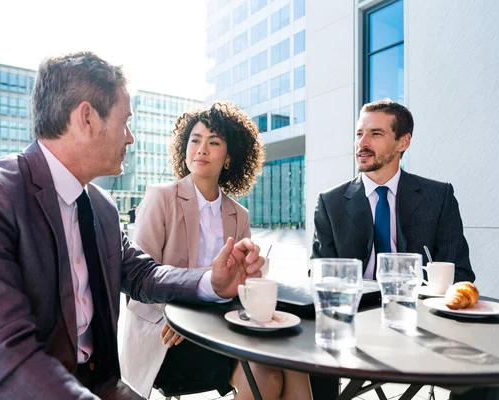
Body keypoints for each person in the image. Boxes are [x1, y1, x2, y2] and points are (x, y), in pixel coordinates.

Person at [0, 52, 265, 400]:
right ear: (87, 118)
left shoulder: (101, 207)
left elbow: (142, 275)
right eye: (125, 121)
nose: (130, 137)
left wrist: (213, 282)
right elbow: (3, 358)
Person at [121, 102, 313, 400]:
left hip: (224, 327)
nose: (201, 149)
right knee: (265, 378)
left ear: (228, 157)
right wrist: (182, 316)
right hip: (168, 336)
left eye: (213, 143)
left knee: (294, 362)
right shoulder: (160, 199)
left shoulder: (239, 215)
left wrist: (254, 276)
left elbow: (239, 287)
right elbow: (139, 281)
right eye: (195, 140)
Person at [311, 99, 476, 400]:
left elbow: (461, 273)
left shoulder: (438, 197)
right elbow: (320, 273)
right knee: (310, 353)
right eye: (359, 133)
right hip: (355, 320)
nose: (362, 142)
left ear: (403, 142)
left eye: (375, 134)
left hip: (422, 320)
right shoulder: (331, 203)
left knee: (485, 368)